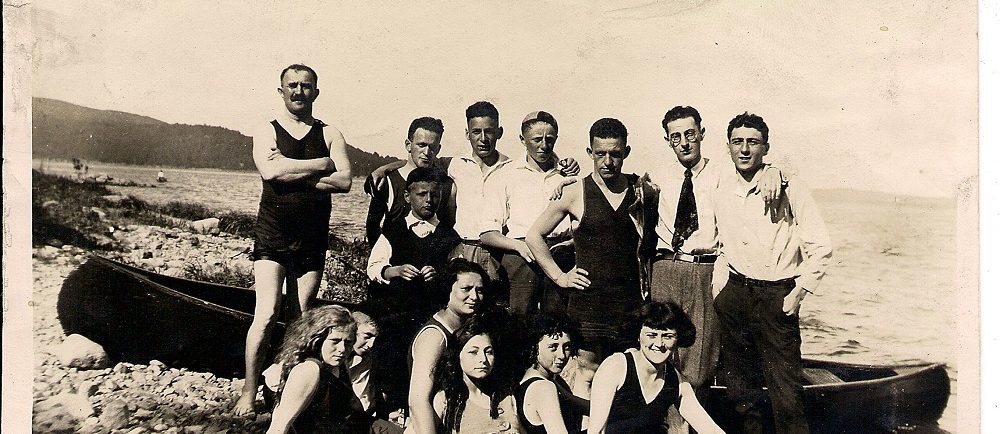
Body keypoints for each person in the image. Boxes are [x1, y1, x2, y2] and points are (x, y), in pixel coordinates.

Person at [649, 106, 782, 434]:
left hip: (705, 270)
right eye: (675, 137)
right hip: (666, 268)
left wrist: (775, 171)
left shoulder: (724, 173)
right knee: (661, 352)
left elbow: (761, 168)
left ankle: (693, 427)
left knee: (699, 360)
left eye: (690, 135)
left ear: (702, 134)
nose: (684, 143)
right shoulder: (657, 176)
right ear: (668, 140)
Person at [235, 63, 353, 415]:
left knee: (302, 317)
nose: (298, 91)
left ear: (316, 91)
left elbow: (346, 181)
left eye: (306, 86)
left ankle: (289, 387)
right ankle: (249, 390)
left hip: (312, 238)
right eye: (292, 85)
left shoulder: (331, 132)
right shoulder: (266, 130)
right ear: (281, 90)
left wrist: (291, 170)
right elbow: (270, 170)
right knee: (267, 313)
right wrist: (321, 165)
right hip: (273, 234)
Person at [713, 112, 833, 434]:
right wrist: (720, 290)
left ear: (766, 148)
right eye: (737, 142)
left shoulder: (788, 187)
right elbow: (722, 244)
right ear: (728, 147)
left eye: (753, 142)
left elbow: (821, 246)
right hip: (736, 293)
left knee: (787, 396)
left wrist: (797, 293)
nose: (745, 149)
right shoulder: (722, 188)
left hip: (776, 296)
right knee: (742, 393)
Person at [525, 118, 658, 389]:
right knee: (588, 372)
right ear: (590, 153)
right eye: (600, 154)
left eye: (615, 154)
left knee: (629, 373)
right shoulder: (575, 191)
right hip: (590, 302)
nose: (607, 161)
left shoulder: (641, 191)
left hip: (629, 301)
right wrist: (560, 277)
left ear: (626, 153)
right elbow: (534, 236)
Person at [364, 167, 461, 411]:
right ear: (407, 196)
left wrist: (440, 276)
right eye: (422, 194)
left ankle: (420, 407)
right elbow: (374, 267)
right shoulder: (394, 230)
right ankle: (389, 404)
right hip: (395, 308)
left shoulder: (449, 236)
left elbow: (458, 272)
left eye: (435, 195)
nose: (429, 200)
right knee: (389, 346)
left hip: (430, 310)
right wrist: (393, 271)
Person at [480, 110, 577, 314]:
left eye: (549, 139)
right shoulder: (505, 174)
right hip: (522, 257)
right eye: (536, 139)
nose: (543, 145)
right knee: (520, 320)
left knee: (557, 320)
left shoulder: (567, 176)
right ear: (522, 139)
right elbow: (487, 233)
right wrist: (518, 246)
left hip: (560, 254)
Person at [588, 302, 725, 434]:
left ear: (678, 339)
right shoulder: (616, 366)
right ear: (638, 336)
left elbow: (710, 429)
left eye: (668, 336)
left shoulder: (676, 381)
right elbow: (597, 431)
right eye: (651, 335)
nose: (659, 344)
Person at [407, 259, 491, 434]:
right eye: (466, 289)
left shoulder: (467, 329)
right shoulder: (435, 335)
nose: (474, 297)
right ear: (448, 289)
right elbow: (418, 400)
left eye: (480, 290)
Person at [263, 305, 368, 434]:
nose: (342, 349)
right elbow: (279, 426)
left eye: (348, 342)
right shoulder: (309, 370)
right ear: (318, 340)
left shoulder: (337, 363)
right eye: (335, 341)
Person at [364, 117, 455, 247]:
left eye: (432, 147)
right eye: (421, 145)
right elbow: (372, 227)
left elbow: (448, 227)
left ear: (438, 149)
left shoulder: (445, 184)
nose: (427, 152)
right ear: (408, 145)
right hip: (394, 262)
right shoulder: (388, 182)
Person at [421, 318, 522, 434]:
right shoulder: (446, 400)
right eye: (473, 352)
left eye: (488, 352)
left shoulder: (507, 399)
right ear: (458, 355)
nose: (483, 360)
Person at [515, 314, 590, 434]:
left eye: (567, 347)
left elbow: (591, 409)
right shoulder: (543, 387)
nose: (561, 355)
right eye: (553, 347)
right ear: (534, 347)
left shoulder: (537, 380)